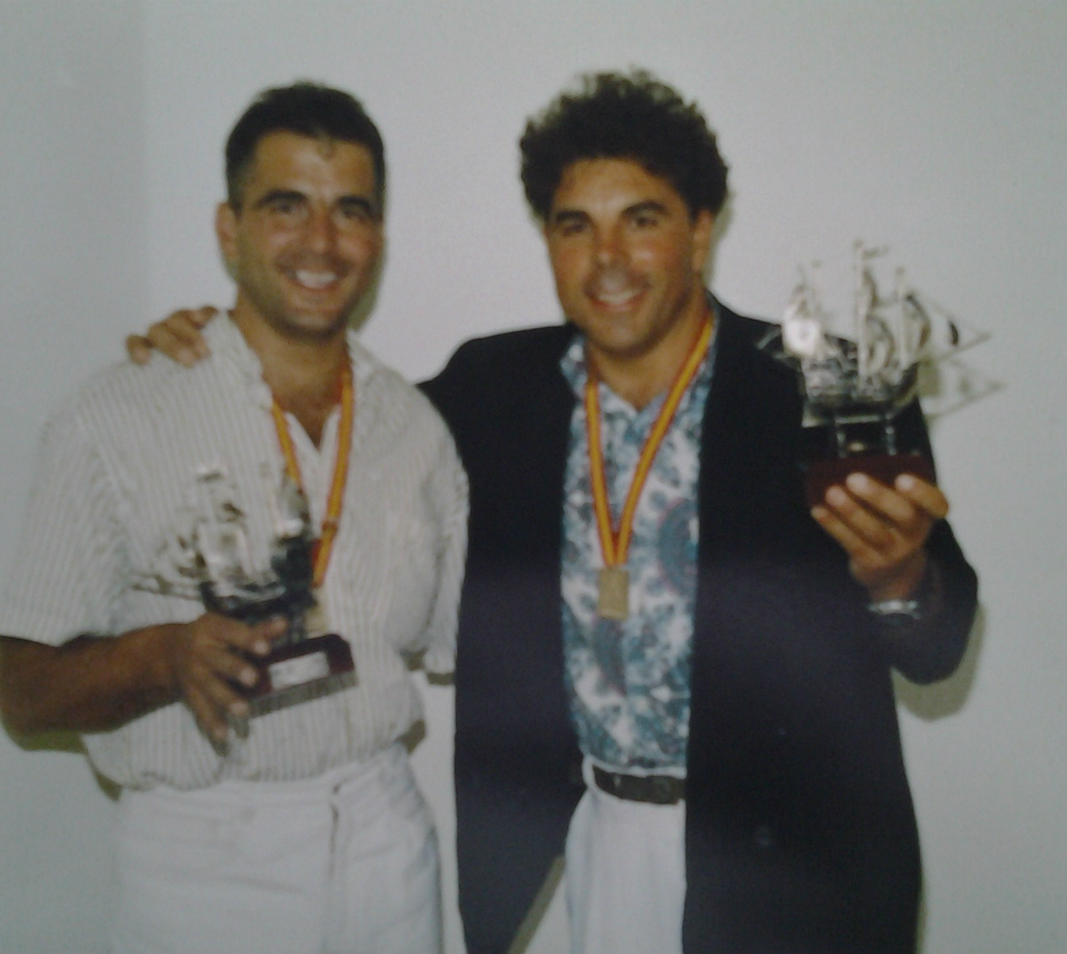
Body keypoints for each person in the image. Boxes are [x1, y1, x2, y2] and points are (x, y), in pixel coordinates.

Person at [132, 70, 977, 954]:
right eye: (576, 226)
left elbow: (939, 644)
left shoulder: (820, 388)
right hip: (602, 834)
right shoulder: (493, 390)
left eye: (640, 220)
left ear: (699, 231)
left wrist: (899, 579)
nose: (607, 258)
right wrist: (226, 344)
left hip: (790, 866)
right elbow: (343, 419)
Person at [0, 81, 467, 954]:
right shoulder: (115, 418)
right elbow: (23, 693)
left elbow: (470, 636)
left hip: (387, 841)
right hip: (206, 857)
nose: (321, 241)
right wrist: (163, 657)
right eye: (286, 206)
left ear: (377, 237)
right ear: (229, 229)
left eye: (351, 211)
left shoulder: (415, 430)